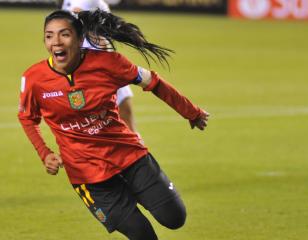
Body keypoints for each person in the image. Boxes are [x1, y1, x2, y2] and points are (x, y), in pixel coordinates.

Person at [18, 10, 209, 240]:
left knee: (175, 217)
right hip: (87, 174)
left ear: (80, 39)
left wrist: (191, 112)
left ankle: (135, 189)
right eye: (49, 36)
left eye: (64, 35)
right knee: (141, 234)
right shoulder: (34, 79)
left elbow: (153, 82)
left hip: (128, 155)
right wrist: (44, 153)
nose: (56, 42)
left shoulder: (109, 63)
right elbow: (27, 117)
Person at [60, 0, 138, 134]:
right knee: (102, 121)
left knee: (124, 114)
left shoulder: (95, 2)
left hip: (103, 64)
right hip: (88, 67)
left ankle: (137, 147)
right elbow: (74, 17)